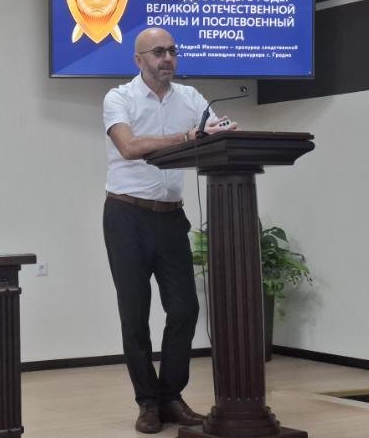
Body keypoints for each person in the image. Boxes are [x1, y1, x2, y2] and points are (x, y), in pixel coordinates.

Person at [102, 27, 238, 434]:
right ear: (139, 60)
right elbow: (129, 147)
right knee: (134, 314)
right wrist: (188, 137)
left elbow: (216, 131)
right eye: (158, 52)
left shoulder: (191, 98)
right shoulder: (119, 98)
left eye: (172, 51)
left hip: (170, 217)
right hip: (126, 216)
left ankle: (170, 396)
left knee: (185, 309)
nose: (167, 59)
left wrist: (225, 131)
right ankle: (147, 402)